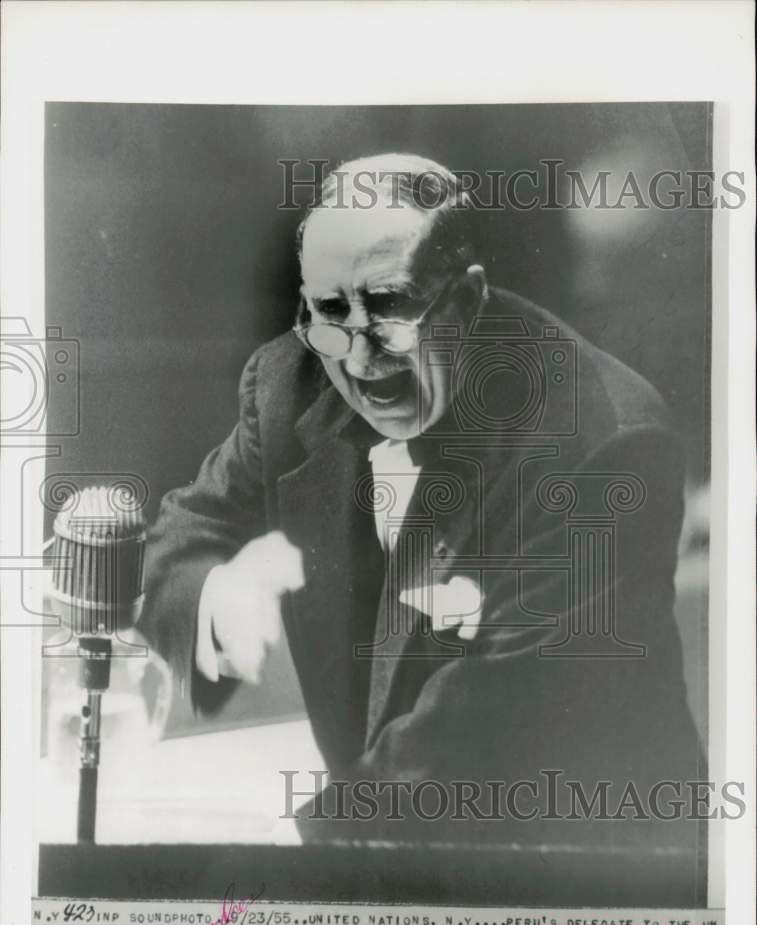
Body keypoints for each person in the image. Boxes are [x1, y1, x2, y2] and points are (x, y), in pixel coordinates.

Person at [140, 154, 705, 857]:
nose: (356, 356)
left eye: (389, 306)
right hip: (385, 821)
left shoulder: (602, 443)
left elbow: (500, 711)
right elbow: (188, 529)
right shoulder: (290, 381)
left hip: (578, 854)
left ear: (467, 301)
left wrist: (297, 850)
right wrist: (211, 597)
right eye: (328, 312)